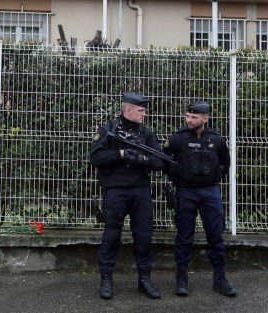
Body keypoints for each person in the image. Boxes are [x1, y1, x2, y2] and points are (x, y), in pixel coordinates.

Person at [89, 92, 165, 300]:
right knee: (111, 236)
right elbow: (95, 157)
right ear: (128, 110)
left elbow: (160, 161)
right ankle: (106, 280)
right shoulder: (108, 130)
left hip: (140, 191)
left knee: (143, 236)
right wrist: (121, 154)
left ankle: (144, 280)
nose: (144, 114)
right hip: (115, 191)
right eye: (141, 111)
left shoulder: (146, 134)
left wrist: (142, 159)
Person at [163, 100, 237, 297]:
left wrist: (213, 180)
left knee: (215, 235)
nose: (189, 120)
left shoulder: (217, 140)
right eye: (187, 116)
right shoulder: (177, 139)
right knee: (184, 236)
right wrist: (177, 179)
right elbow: (164, 161)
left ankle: (220, 279)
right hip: (186, 191)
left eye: (194, 117)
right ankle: (181, 278)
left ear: (205, 118)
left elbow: (225, 163)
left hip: (209, 192)